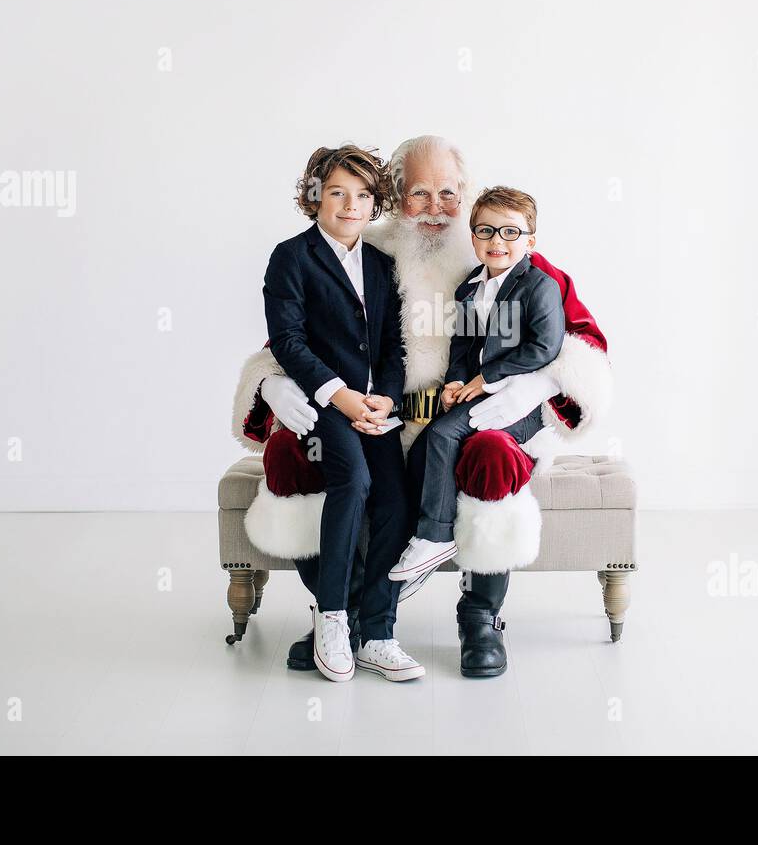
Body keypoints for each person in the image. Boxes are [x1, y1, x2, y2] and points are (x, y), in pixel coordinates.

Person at [235, 135, 614, 678]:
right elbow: (299, 339)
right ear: (394, 197)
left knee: (489, 455)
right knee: (302, 457)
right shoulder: (372, 249)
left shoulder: (502, 251)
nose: (435, 209)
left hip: (484, 420)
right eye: (419, 194)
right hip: (383, 416)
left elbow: (580, 342)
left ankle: (480, 617)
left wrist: (538, 386)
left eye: (448, 193)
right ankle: (339, 614)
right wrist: (270, 384)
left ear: (468, 193)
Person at [260, 144, 423, 683]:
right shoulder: (292, 257)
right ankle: (332, 615)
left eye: (362, 195)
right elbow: (287, 339)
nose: (350, 205)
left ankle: (378, 630)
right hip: (323, 403)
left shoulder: (380, 263)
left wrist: (388, 398)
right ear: (315, 197)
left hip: (375, 405)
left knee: (397, 498)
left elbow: (395, 345)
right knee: (351, 479)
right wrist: (338, 395)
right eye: (337, 193)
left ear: (374, 203)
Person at [389, 186, 563, 602]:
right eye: (485, 231)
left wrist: (487, 380)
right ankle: (415, 536)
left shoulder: (538, 285)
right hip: (480, 392)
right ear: (472, 236)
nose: (497, 241)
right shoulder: (470, 286)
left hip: (519, 402)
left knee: (445, 435)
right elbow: (464, 347)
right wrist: (455, 381)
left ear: (530, 241)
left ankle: (434, 536)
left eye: (510, 232)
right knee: (426, 439)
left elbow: (544, 347)